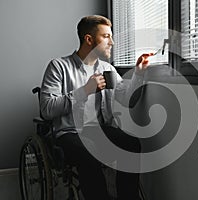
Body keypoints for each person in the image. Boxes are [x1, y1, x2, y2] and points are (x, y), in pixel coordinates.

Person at [40, 15, 150, 200]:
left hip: (98, 130)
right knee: (88, 154)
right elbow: (47, 109)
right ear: (89, 39)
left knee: (132, 144)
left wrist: (138, 74)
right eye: (106, 36)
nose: (112, 42)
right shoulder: (58, 67)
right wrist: (85, 90)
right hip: (70, 133)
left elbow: (127, 100)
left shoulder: (108, 69)